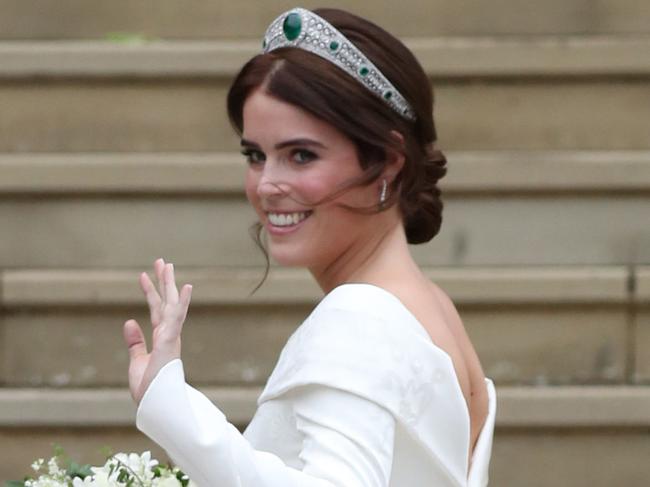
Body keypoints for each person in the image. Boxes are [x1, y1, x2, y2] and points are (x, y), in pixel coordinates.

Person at [123, 7, 496, 487]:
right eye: (256, 155)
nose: (268, 185)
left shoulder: (359, 317)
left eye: (301, 155)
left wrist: (173, 408)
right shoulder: (430, 308)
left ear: (386, 162)